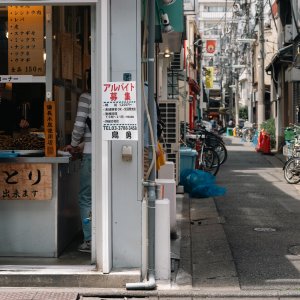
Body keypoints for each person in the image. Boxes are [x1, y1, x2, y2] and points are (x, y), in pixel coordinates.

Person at [64, 69, 92, 253]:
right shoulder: (111, 95)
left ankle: (90, 239)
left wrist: (74, 144)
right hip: (111, 153)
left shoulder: (87, 98)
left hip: (91, 156)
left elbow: (80, 125)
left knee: (85, 197)